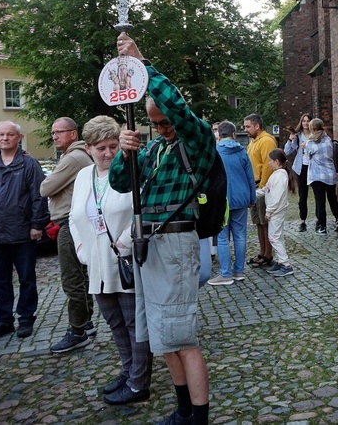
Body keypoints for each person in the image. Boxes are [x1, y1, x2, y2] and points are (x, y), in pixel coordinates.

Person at [112, 33, 212, 425]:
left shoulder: (196, 137)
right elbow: (122, 183)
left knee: (181, 335)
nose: (163, 128)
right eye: (156, 124)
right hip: (149, 246)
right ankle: (182, 409)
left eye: (165, 122)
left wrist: (142, 63)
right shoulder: (154, 149)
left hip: (174, 244)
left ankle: (198, 417)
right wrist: (126, 149)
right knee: (161, 336)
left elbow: (177, 107)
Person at [70, 115, 153, 405]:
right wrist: (82, 250)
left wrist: (125, 243)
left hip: (125, 262)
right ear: (89, 148)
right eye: (101, 147)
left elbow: (143, 212)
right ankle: (128, 370)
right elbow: (73, 217)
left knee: (134, 323)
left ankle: (139, 382)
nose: (108, 153)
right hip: (96, 264)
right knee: (115, 322)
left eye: (113, 146)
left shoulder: (131, 172)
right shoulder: (84, 177)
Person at [0, 121, 49, 339]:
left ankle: (26, 319)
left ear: (19, 137)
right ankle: (3, 320)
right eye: (1, 134)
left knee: (27, 279)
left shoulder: (28, 164)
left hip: (23, 232)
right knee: (0, 280)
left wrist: (37, 224)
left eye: (10, 134)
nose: (5, 138)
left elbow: (38, 195)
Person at [40, 117, 97, 353]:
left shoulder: (73, 158)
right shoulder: (78, 155)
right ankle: (87, 323)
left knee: (72, 279)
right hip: (75, 223)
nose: (54, 136)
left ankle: (78, 330)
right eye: (53, 132)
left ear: (73, 134)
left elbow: (44, 188)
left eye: (59, 132)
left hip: (69, 224)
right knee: (82, 278)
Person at [207, 121, 256, 286]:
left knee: (222, 238)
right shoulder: (242, 151)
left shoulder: (214, 152)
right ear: (234, 134)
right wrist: (252, 198)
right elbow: (250, 177)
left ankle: (225, 273)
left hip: (222, 199)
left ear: (219, 135)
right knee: (240, 236)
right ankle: (239, 271)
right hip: (242, 198)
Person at [243, 114, 277, 268]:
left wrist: (262, 186)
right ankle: (262, 252)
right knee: (258, 222)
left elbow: (268, 165)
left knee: (265, 222)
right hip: (254, 187)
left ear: (257, 126)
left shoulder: (266, 141)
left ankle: (268, 254)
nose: (246, 130)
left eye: (248, 126)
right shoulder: (253, 142)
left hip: (262, 188)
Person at [261, 149, 294, 277]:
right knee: (277, 236)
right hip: (276, 210)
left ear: (276, 161)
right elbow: (266, 190)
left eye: (270, 161)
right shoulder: (276, 174)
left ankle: (286, 264)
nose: (268, 163)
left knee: (273, 237)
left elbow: (276, 196)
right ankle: (281, 262)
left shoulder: (280, 176)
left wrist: (269, 211)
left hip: (277, 211)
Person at [306, 118, 338, 234]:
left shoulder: (310, 143)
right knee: (332, 198)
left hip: (317, 176)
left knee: (320, 201)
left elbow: (308, 158)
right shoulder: (329, 141)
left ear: (313, 129)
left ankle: (322, 226)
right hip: (330, 174)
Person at [284, 113, 312, 231]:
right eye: (304, 121)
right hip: (301, 167)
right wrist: (291, 139)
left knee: (317, 193)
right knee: (303, 194)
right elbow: (287, 151)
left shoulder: (315, 135)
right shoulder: (298, 135)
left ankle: (320, 221)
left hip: (314, 167)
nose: (305, 123)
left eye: (308, 121)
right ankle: (303, 220)